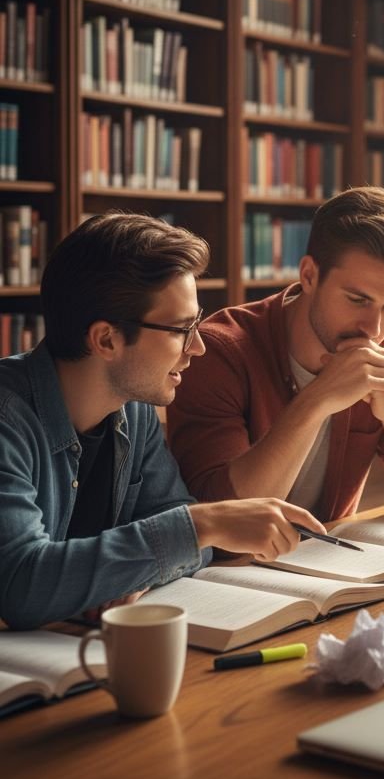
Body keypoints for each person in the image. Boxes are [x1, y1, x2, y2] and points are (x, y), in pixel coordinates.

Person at [0, 212, 325, 630]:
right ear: (106, 339)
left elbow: (181, 525)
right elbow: (21, 585)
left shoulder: (133, 408)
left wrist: (141, 571)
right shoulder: (8, 420)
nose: (199, 347)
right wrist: (202, 524)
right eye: (180, 329)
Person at [168, 186, 384, 522]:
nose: (373, 328)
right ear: (309, 275)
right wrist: (318, 399)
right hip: (234, 571)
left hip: (331, 563)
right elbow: (221, 518)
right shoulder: (220, 350)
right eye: (357, 300)